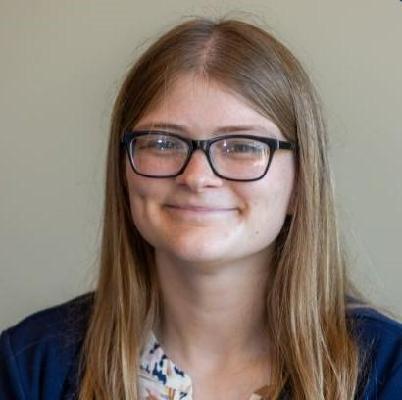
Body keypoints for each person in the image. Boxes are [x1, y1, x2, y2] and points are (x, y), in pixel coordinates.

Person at [1, 17, 401, 400]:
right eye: (162, 143)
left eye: (241, 145)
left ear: (301, 182)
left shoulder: (390, 369)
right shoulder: (29, 366)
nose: (196, 176)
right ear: (123, 171)